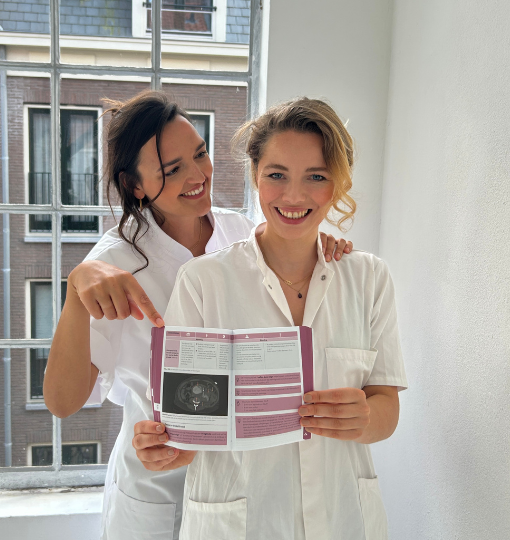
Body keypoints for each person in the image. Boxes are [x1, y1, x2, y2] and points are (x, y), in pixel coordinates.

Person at [43, 91, 353, 540]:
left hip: (239, 477)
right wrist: (76, 293)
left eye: (201, 154)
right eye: (173, 170)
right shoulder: (114, 262)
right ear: (135, 185)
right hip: (157, 479)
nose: (198, 175)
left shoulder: (239, 230)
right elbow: (61, 401)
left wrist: (323, 245)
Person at [137, 97, 408, 540]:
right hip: (238, 524)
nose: (294, 196)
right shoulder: (203, 281)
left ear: (337, 183)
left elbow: (386, 407)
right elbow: (186, 430)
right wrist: (164, 448)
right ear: (255, 176)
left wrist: (365, 418)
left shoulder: (369, 278)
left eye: (316, 177)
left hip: (343, 519)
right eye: (277, 175)